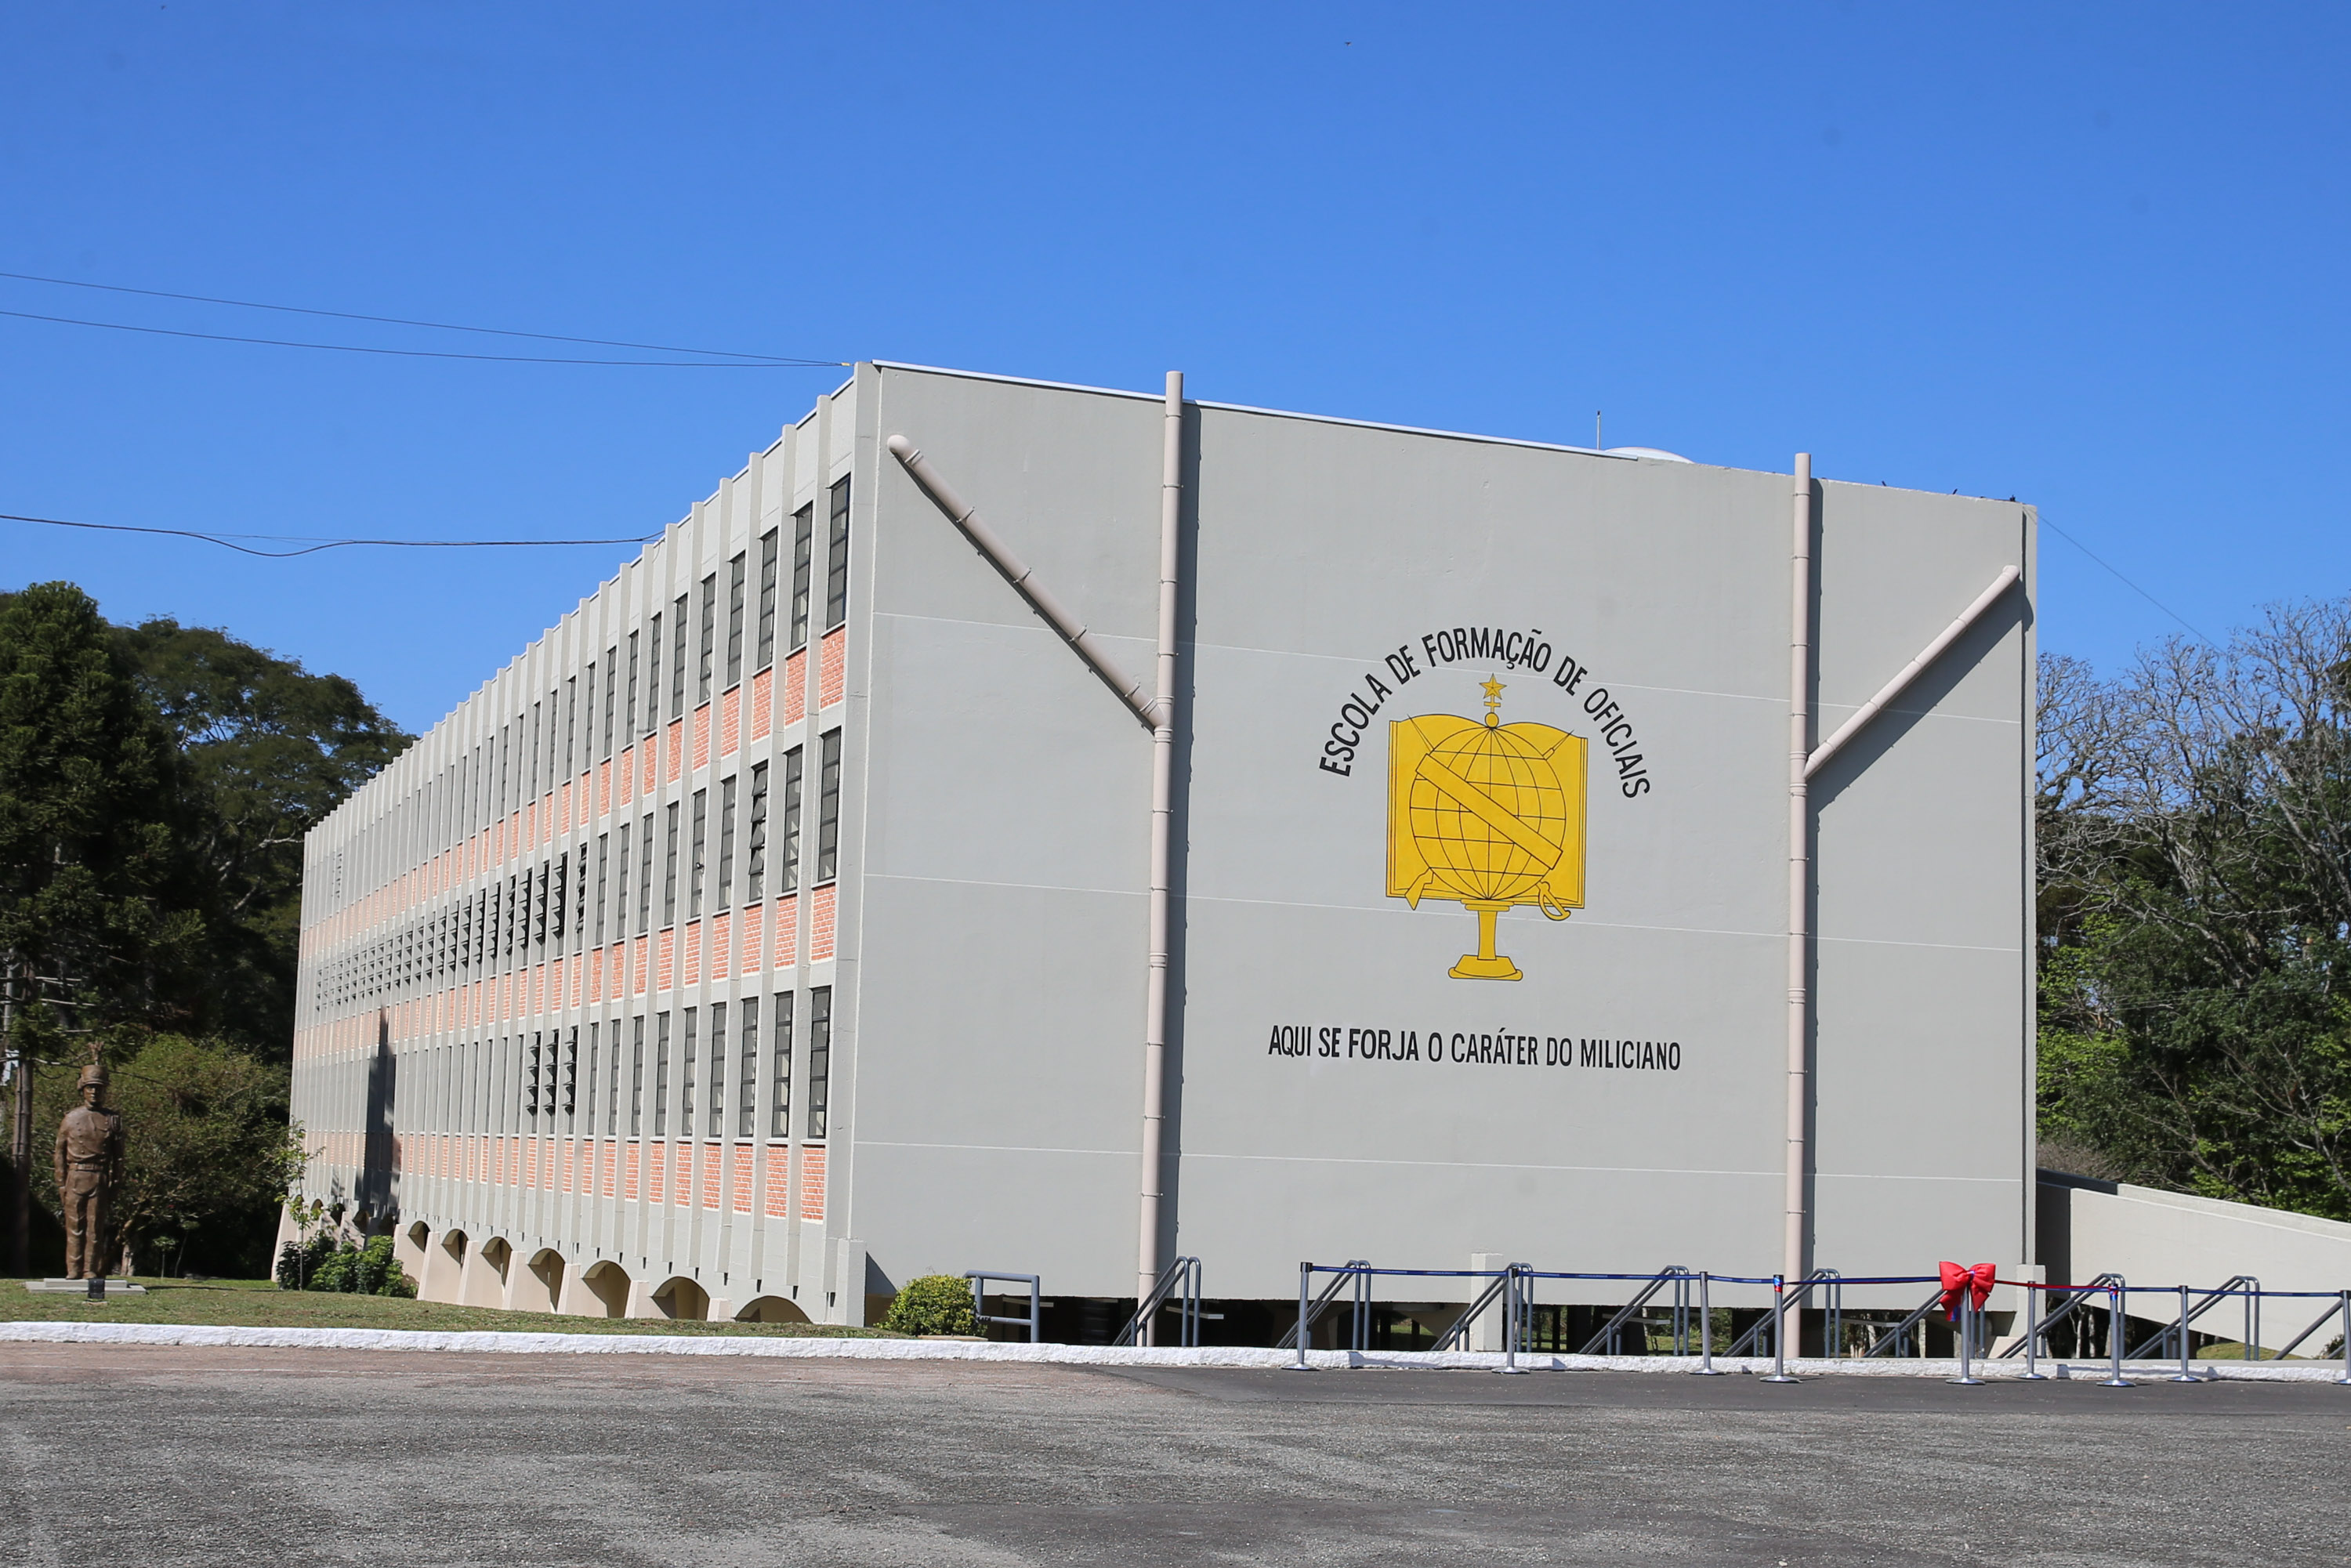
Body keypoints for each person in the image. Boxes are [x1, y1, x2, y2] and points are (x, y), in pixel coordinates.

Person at [55, 1063, 125, 1280]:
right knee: (74, 1226)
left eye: (99, 1088)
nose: (94, 1092)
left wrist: (116, 1182)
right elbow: (59, 1151)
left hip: (99, 1177)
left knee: (95, 1229)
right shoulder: (71, 1118)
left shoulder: (112, 1120)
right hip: (75, 1176)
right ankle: (73, 1270)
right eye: (90, 1087)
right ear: (82, 1089)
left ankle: (90, 1270)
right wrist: (61, 1183)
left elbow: (119, 1158)